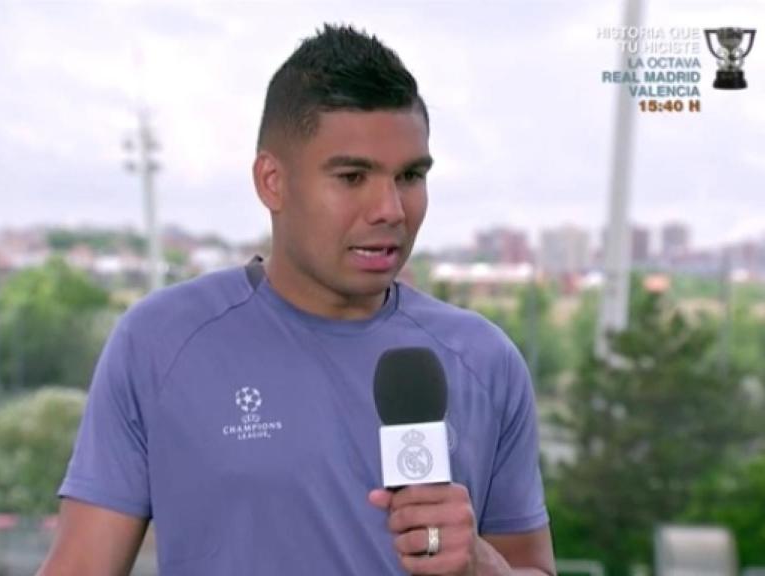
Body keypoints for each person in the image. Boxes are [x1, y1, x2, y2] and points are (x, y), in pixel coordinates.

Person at [38, 24, 555, 576]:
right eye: (353, 176)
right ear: (271, 181)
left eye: (410, 176)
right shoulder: (159, 343)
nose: (390, 209)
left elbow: (532, 569)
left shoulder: (483, 360)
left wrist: (478, 562)